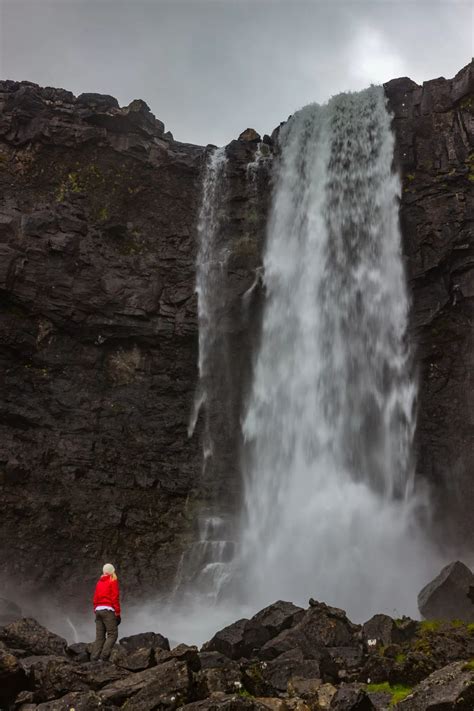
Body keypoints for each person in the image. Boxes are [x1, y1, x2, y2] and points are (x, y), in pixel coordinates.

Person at [90, 563, 121, 662]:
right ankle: (103, 657)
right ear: (112, 571)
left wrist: (95, 608)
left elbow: (95, 597)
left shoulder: (99, 582)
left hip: (98, 610)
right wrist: (117, 612)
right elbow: (115, 597)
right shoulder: (113, 581)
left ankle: (94, 658)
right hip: (108, 610)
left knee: (100, 637)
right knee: (112, 634)